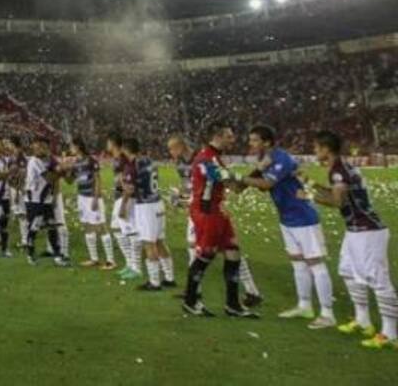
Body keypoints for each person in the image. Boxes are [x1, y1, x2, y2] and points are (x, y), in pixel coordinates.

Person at [241, 125, 335, 329]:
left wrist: (242, 179)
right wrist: (254, 177)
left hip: (303, 217)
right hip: (287, 218)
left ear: (267, 142)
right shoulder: (266, 159)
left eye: (255, 140)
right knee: (298, 263)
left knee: (315, 264)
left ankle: (328, 313)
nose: (251, 143)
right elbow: (265, 186)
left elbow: (267, 184)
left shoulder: (281, 158)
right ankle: (304, 306)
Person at [311, 130, 397, 350]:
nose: (315, 151)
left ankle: (390, 333)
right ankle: (363, 320)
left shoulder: (338, 170)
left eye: (316, 147)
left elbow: (337, 201)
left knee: (378, 279)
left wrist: (310, 196)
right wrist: (311, 184)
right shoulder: (341, 167)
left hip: (368, 231)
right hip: (356, 230)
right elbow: (337, 193)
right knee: (348, 271)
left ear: (325, 149)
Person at [167, 135, 262, 306]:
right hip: (199, 209)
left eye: (171, 148)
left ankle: (249, 290)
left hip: (207, 211)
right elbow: (191, 186)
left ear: (180, 147)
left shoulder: (202, 158)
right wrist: (180, 197)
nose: (170, 152)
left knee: (219, 250)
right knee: (223, 249)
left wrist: (187, 199)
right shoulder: (182, 163)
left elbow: (222, 183)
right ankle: (195, 291)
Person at [124, 138, 174, 290]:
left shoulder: (133, 165)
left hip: (146, 207)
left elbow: (130, 189)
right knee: (160, 241)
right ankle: (169, 278)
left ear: (126, 149)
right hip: (158, 203)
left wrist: (123, 204)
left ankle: (154, 282)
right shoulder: (149, 161)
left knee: (149, 243)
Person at [66, 139, 115, 269]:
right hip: (81, 198)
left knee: (101, 227)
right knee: (87, 226)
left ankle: (110, 261)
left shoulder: (91, 160)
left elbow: (98, 179)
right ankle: (94, 259)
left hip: (92, 197)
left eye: (71, 146)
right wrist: (67, 170)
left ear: (78, 146)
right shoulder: (75, 162)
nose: (70, 149)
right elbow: (70, 181)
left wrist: (96, 198)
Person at [24, 137, 67, 266]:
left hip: (45, 200)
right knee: (34, 228)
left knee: (52, 227)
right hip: (35, 201)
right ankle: (30, 255)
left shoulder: (46, 161)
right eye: (37, 147)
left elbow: (54, 177)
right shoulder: (34, 161)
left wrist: (60, 169)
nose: (40, 149)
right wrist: (62, 170)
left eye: (42, 147)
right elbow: (49, 178)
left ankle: (57, 256)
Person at [105, 132, 136, 277]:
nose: (106, 145)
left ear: (112, 143)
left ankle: (133, 265)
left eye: (108, 142)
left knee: (126, 231)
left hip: (124, 197)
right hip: (119, 196)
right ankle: (129, 263)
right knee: (118, 230)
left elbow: (127, 178)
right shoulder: (117, 158)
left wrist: (124, 197)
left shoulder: (123, 158)